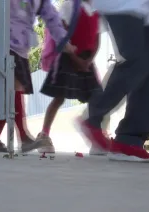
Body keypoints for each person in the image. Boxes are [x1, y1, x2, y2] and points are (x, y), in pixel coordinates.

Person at [0, 0, 75, 153]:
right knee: (14, 86)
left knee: (9, 93)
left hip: (20, 46)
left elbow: (52, 17)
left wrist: (63, 40)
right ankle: (24, 137)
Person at [80, 0, 149, 161]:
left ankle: (129, 141)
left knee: (148, 74)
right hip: (121, 5)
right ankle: (93, 116)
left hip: (145, 11)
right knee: (136, 60)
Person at [37, 0, 101, 155]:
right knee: (59, 97)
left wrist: (89, 60)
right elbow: (62, 33)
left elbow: (97, 39)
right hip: (68, 55)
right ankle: (44, 135)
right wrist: (75, 58)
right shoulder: (69, 5)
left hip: (87, 59)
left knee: (97, 97)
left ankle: (97, 139)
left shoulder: (97, 10)